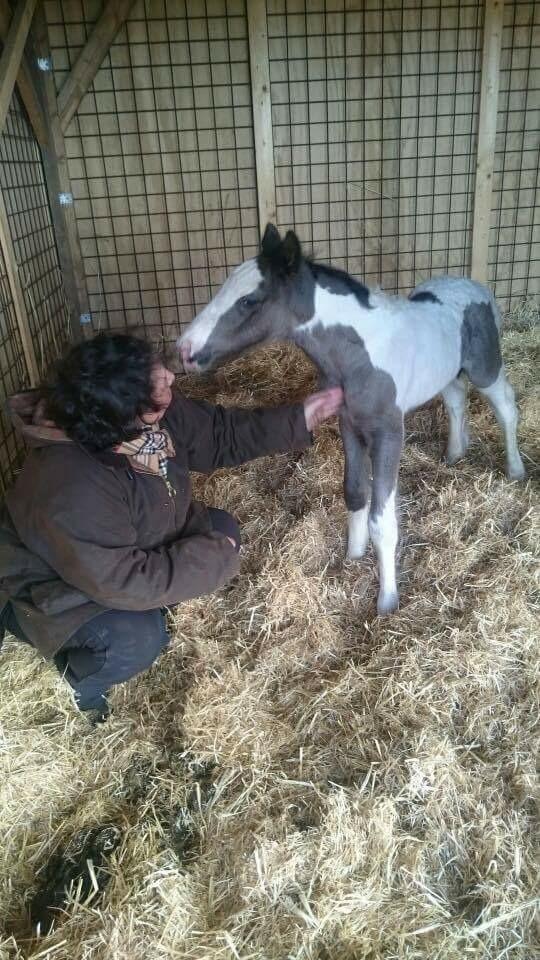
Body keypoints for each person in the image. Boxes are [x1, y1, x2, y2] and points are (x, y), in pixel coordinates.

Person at [0, 333, 342, 718]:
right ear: (124, 405)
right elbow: (124, 580)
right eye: (158, 378)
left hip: (120, 547)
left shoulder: (134, 417)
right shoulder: (71, 483)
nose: (171, 378)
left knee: (221, 528)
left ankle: (157, 605)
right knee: (138, 639)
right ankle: (79, 676)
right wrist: (217, 562)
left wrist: (301, 417)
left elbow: (217, 436)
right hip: (53, 583)